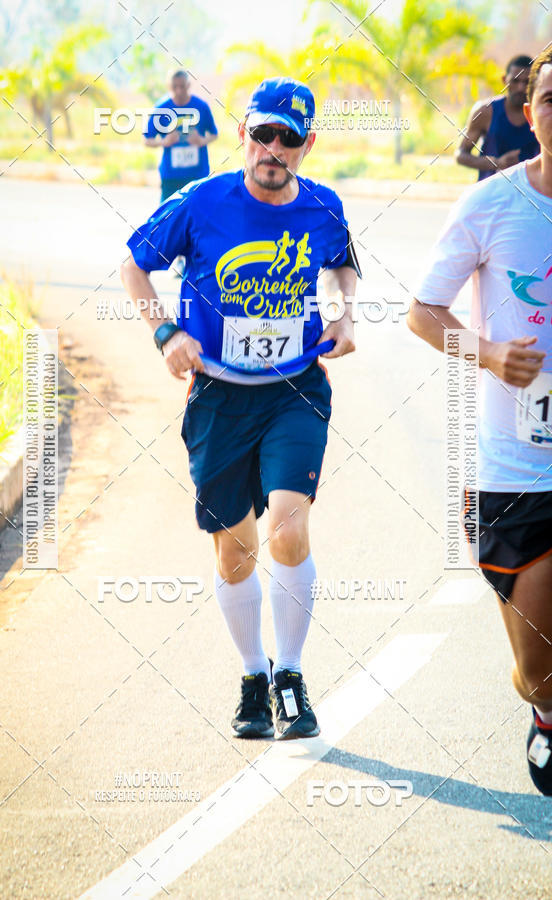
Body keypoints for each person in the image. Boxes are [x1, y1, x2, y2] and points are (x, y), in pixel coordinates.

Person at [121, 77, 361, 740]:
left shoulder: (323, 206)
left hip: (294, 390)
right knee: (235, 551)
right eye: (263, 133)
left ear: (307, 144)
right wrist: (165, 332)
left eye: (288, 137)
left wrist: (343, 313)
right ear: (243, 135)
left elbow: (343, 264)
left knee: (286, 528)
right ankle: (253, 675)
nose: (273, 148)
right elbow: (133, 266)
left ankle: (290, 675)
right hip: (220, 395)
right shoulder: (199, 203)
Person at [408, 46, 552, 794]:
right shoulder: (491, 204)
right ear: (531, 114)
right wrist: (491, 353)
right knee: (538, 673)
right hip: (519, 471)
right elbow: (422, 314)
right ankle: (547, 714)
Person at [456, 55, 540, 180]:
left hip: (532, 194)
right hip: (492, 194)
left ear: (535, 83)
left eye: (527, 82)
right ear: (504, 80)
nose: (521, 88)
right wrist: (496, 163)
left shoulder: (543, 113)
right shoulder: (485, 111)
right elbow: (461, 154)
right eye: (515, 81)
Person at [145, 69, 218, 201]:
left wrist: (201, 141)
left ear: (188, 85)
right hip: (171, 176)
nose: (179, 91)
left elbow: (214, 134)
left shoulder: (201, 106)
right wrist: (164, 142)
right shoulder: (161, 108)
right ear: (169, 86)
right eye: (175, 87)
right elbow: (147, 140)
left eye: (182, 86)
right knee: (168, 217)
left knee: (199, 215)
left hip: (198, 174)